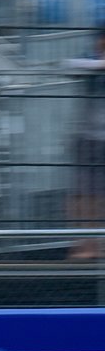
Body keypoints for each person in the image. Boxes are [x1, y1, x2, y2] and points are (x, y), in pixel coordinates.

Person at [63, 30, 105, 261]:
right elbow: (69, 65)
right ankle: (82, 245)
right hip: (87, 139)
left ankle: (97, 245)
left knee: (99, 197)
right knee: (81, 195)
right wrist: (99, 65)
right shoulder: (89, 59)